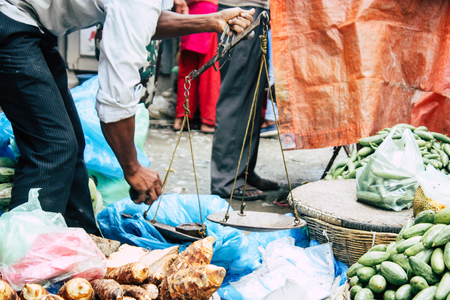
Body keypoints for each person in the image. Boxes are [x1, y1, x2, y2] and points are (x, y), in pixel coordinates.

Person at [0, 0, 254, 234]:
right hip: (11, 18)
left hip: (36, 27)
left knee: (71, 145)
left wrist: (212, 21)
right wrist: (132, 169)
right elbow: (115, 100)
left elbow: (142, 22)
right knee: (53, 148)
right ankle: (25, 265)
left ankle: (82, 245)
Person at [211, 0, 279, 201]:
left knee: (253, 97)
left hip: (258, 9)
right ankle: (227, 180)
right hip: (242, 9)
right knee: (238, 94)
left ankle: (244, 171)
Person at [173, 0, 221, 134]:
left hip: (189, 12)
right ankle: (208, 120)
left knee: (187, 70)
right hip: (209, 12)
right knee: (209, 71)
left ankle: (181, 118)